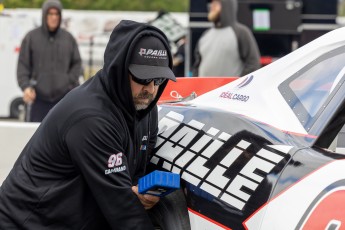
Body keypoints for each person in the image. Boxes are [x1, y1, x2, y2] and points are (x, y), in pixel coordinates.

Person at [0, 20, 178, 229]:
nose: (151, 89)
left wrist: (144, 190)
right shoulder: (91, 117)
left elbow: (136, 172)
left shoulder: (145, 106)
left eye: (158, 80)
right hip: (25, 223)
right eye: (143, 78)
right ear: (119, 69)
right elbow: (124, 212)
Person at [17, 0, 82, 122]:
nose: (54, 17)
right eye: (50, 14)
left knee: (62, 138)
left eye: (57, 14)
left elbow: (77, 63)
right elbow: (23, 65)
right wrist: (26, 86)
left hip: (63, 100)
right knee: (36, 137)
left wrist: (69, 82)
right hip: (38, 100)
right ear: (44, 15)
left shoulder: (68, 39)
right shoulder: (31, 37)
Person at [192, 0, 261, 77]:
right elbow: (196, 66)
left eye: (216, 3)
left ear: (227, 6)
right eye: (211, 3)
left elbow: (253, 64)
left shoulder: (241, 32)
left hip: (231, 89)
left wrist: (236, 85)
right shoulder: (205, 35)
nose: (211, 6)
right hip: (207, 89)